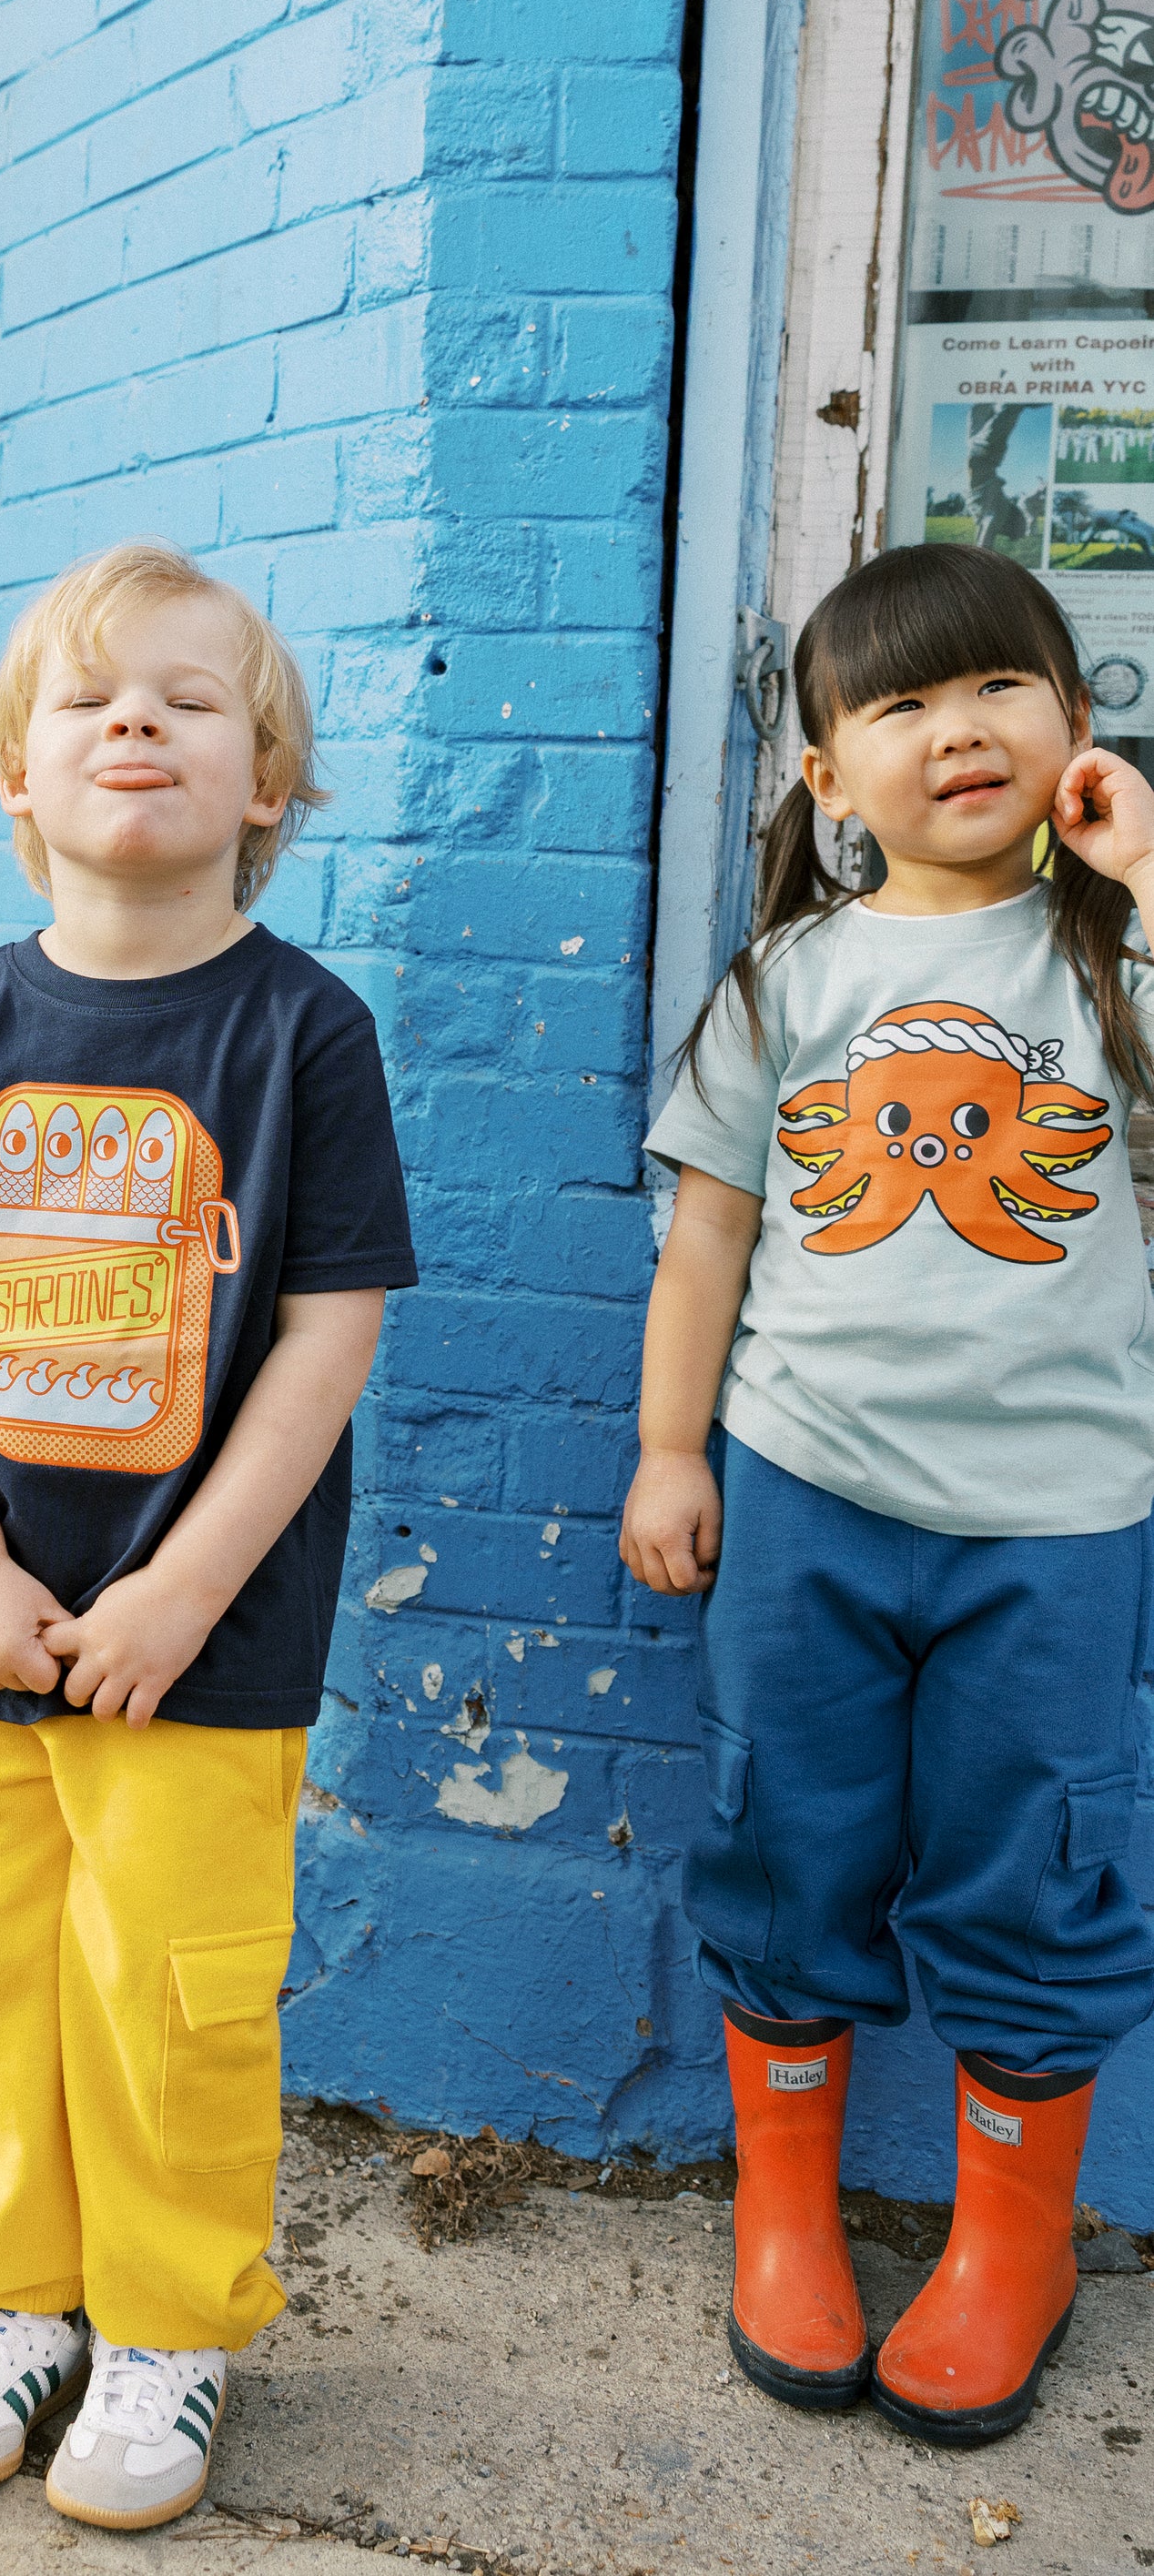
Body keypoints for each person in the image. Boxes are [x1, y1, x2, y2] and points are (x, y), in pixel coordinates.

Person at [0, 539, 416, 2529]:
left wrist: (184, 1583)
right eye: (89, 699)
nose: (135, 725)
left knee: (174, 1982)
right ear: (19, 773)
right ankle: (8, 2293)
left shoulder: (304, 1032)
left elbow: (327, 1331)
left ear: (270, 781)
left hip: (204, 1634)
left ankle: (169, 2322)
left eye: (189, 699)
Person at [623, 541, 1154, 2448]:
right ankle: (784, 2208)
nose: (959, 729)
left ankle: (1014, 2245)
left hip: (1060, 1519)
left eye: (1000, 684)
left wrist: (1143, 875)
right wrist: (670, 1448)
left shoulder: (1109, 963)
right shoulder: (790, 978)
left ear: (1073, 722)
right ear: (827, 775)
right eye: (902, 703)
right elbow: (708, 1237)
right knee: (788, 1838)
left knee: (1037, 1865)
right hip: (805, 1494)